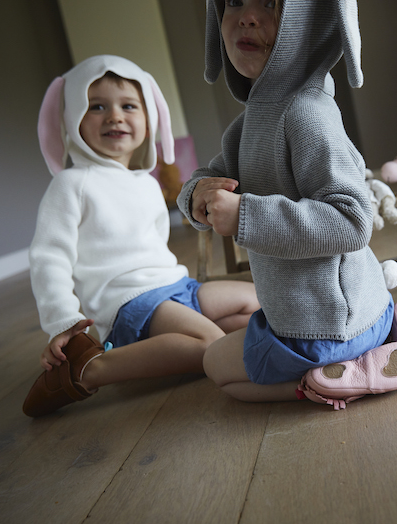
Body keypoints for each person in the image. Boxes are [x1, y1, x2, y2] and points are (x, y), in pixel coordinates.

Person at [177, 0, 397, 410]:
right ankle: (396, 334)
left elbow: (354, 219)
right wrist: (196, 194)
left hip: (324, 331)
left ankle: (329, 379)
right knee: (235, 341)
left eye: (269, 3)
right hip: (358, 309)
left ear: (312, 18)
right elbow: (210, 174)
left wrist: (246, 215)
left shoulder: (306, 113)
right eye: (234, 1)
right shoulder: (248, 126)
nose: (247, 17)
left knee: (216, 364)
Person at [23, 55, 260, 417]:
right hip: (129, 303)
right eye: (96, 106)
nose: (114, 116)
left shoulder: (145, 184)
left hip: (178, 288)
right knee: (212, 343)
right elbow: (48, 257)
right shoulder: (72, 184)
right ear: (72, 120)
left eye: (128, 106)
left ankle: (186, 343)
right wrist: (63, 321)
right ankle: (91, 369)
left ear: (148, 119)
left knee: (258, 304)